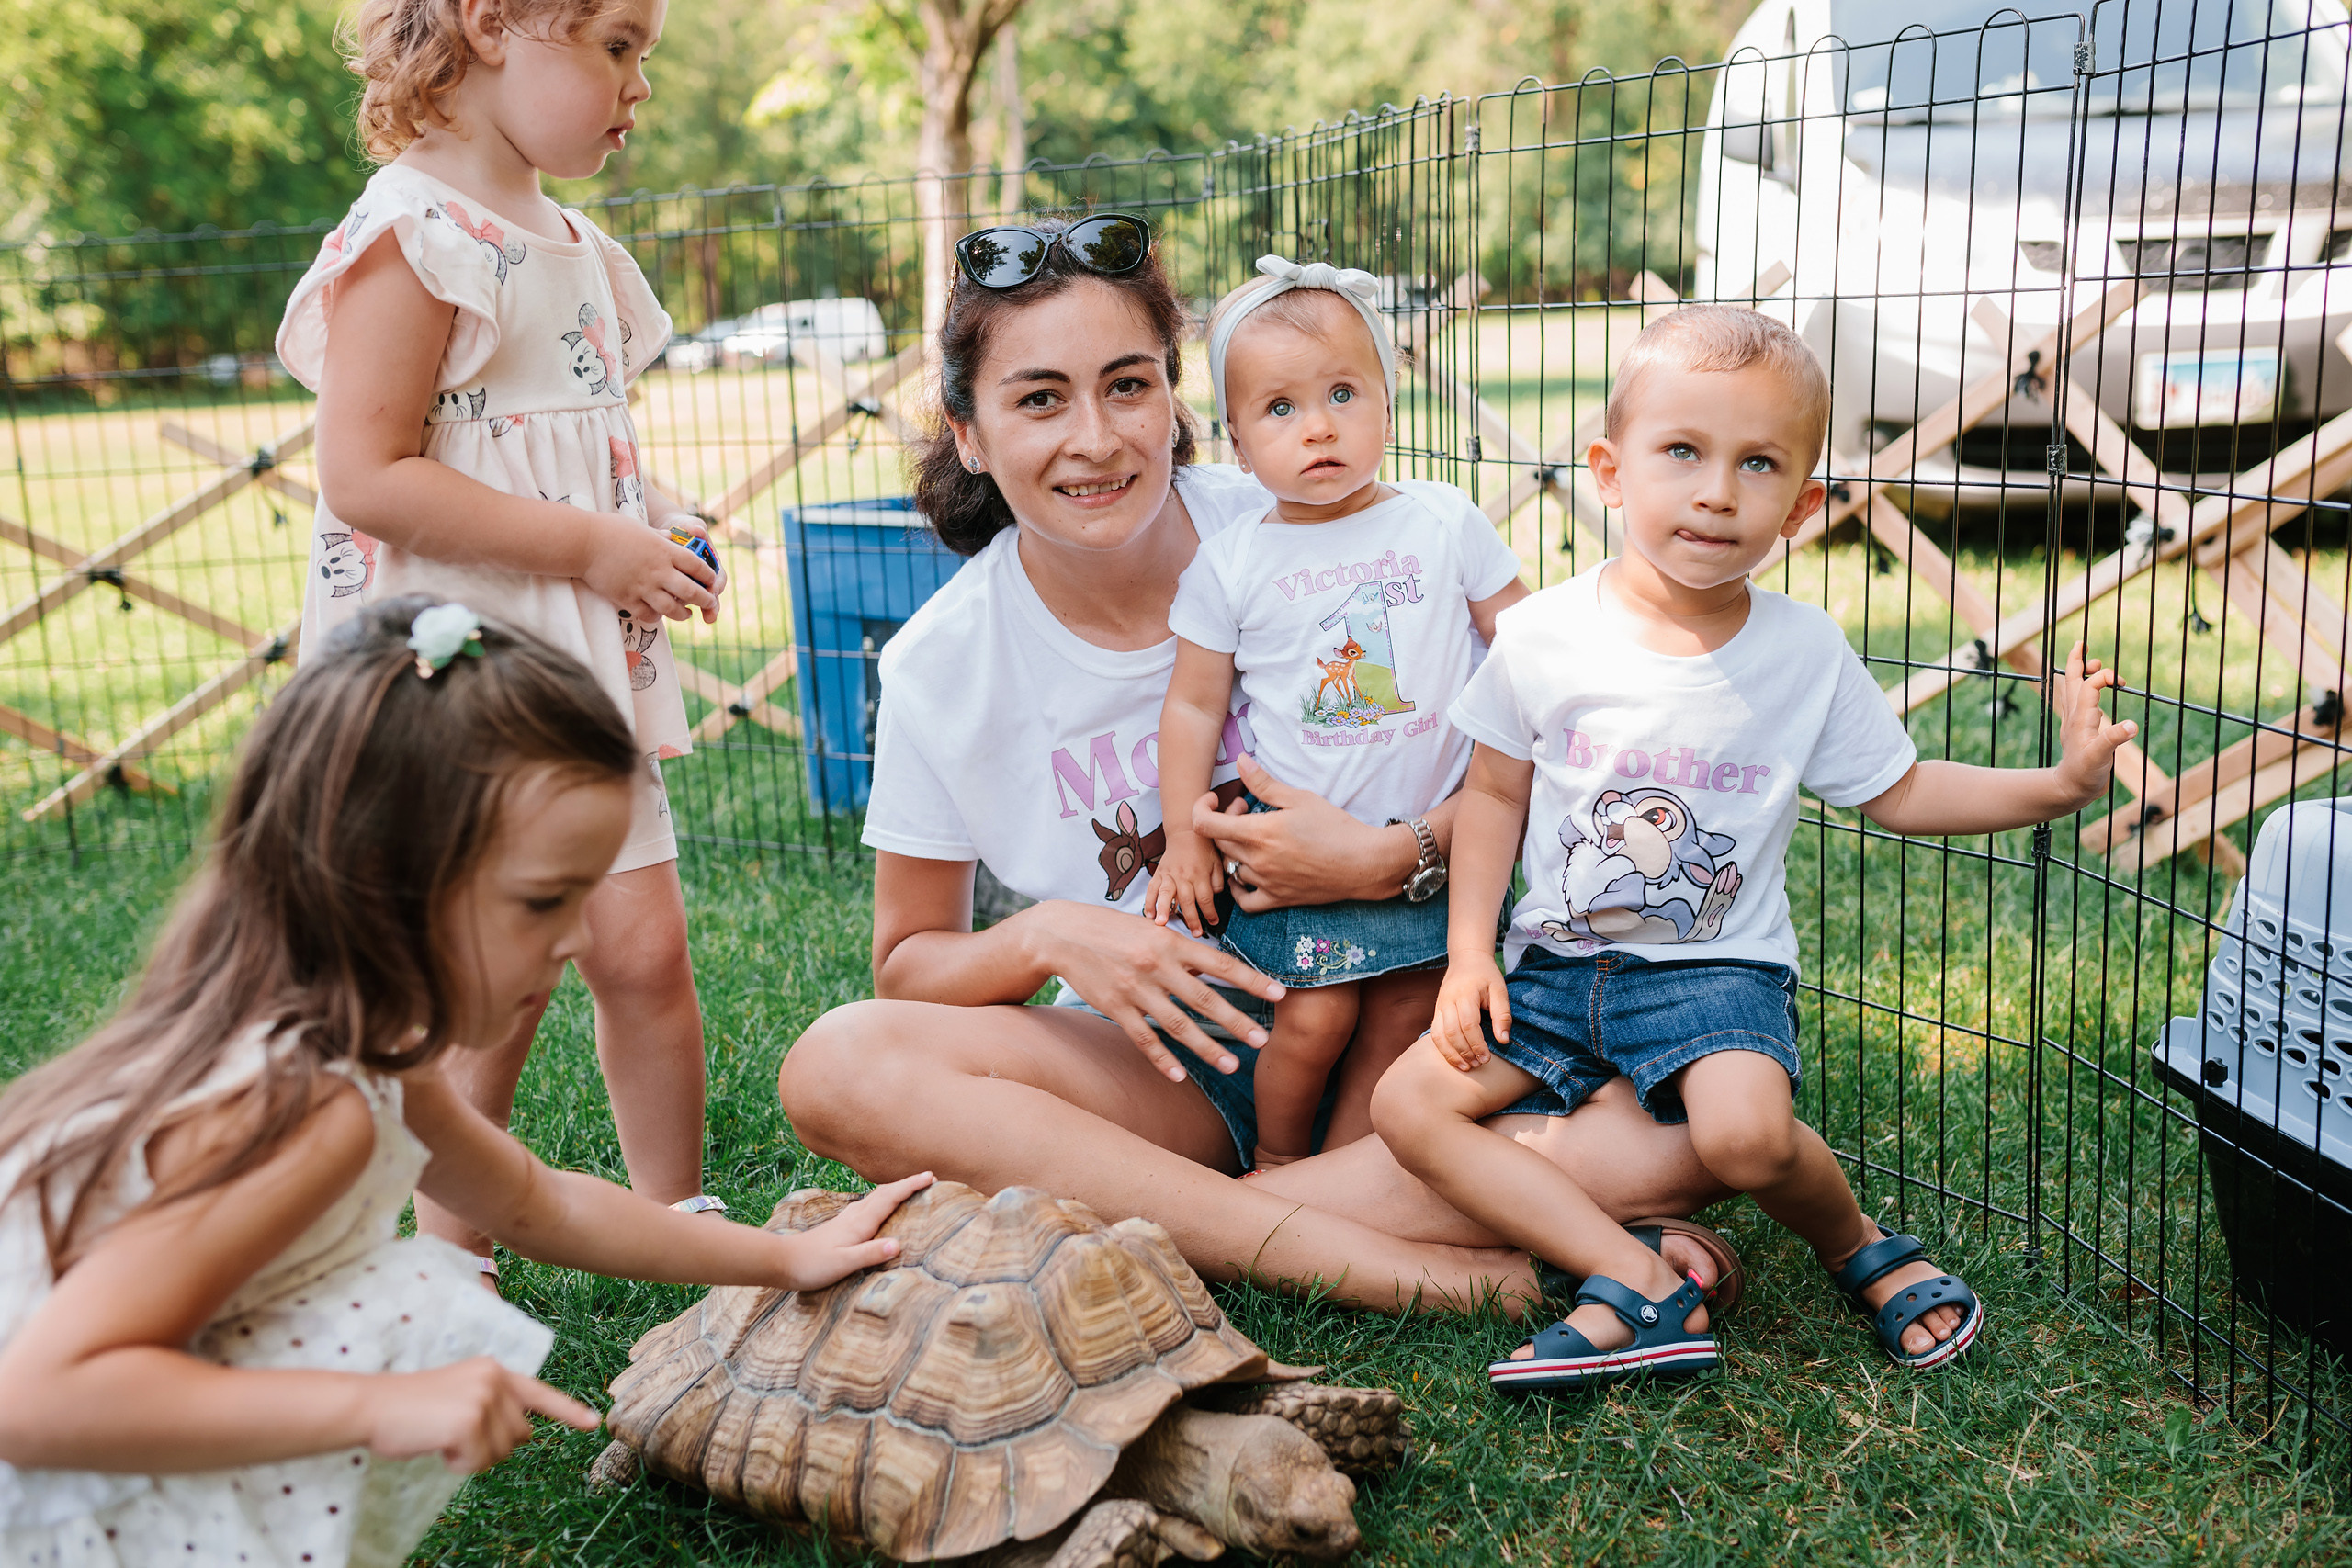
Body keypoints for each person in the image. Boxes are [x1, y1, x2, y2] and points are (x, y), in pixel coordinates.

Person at [776, 212, 1747, 1316]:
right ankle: (1385, 1256)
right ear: (969, 431)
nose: (1095, 439)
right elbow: (907, 964)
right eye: (1039, 398)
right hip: (1182, 1054)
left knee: (1703, 1126)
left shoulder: (1318, 522)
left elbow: (1557, 732)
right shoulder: (942, 664)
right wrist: (1052, 933)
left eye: (1127, 386)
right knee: (839, 1066)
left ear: (1178, 403)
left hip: (1417, 1005)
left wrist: (1397, 857)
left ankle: (1219, 1218)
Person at [0, 599, 928, 1565]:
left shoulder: (355, 1056)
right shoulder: (307, 1109)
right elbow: (39, 1400)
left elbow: (541, 1205)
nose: (573, 942)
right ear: (382, 875)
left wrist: (784, 1259)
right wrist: (379, 1404)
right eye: (541, 902)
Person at [1368, 306, 2138, 1390]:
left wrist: (2057, 786)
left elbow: (1905, 791)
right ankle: (1636, 1276)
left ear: (1803, 504)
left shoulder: (1803, 651)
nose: (1716, 491)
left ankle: (1857, 1246)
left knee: (1741, 1139)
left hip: (1713, 975)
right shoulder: (1542, 633)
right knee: (1405, 1106)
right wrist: (1468, 957)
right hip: (1550, 971)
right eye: (1681, 451)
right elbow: (1493, 796)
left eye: (1758, 463)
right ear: (1609, 471)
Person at [278, 0, 729, 1282]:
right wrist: (593, 549)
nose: (639, 86)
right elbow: (367, 474)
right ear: (491, 24)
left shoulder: (576, 246)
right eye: (617, 46)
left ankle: (678, 1230)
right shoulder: (412, 234)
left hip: (583, 666)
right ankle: (448, 1255)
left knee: (644, 951)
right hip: (465, 675)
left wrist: (652, 520)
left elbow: (574, 450)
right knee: (500, 975)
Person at [1147, 255, 1528, 1169]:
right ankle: (1278, 1161)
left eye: (1344, 394)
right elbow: (1192, 708)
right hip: (1299, 859)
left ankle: (1350, 1176)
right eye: (1280, 409)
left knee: (1404, 1009)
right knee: (1309, 1018)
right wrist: (1184, 835)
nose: (1318, 427)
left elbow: (1526, 643)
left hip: (1422, 859)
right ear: (1237, 443)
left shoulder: (1443, 521)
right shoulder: (1232, 562)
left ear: (1389, 407)